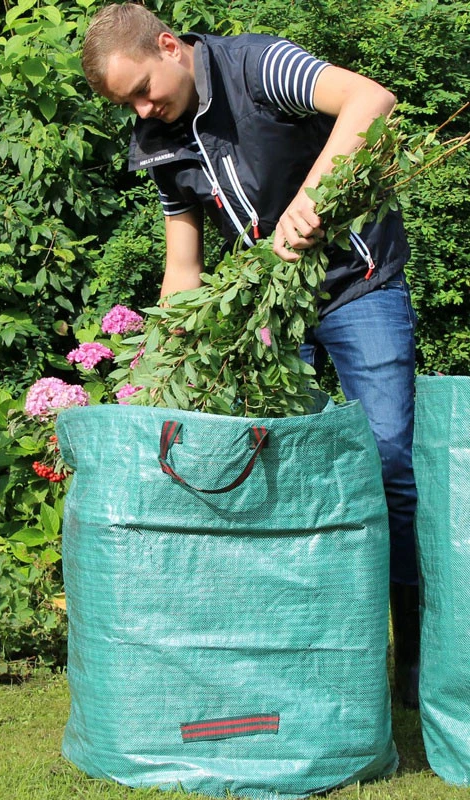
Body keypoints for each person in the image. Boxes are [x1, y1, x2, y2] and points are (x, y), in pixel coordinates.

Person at [81, 2, 420, 708]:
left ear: (169, 46)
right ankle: (314, 652)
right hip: (274, 305)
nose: (143, 109)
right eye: (128, 104)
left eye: (144, 89)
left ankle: (414, 659)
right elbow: (184, 266)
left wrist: (312, 198)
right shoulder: (160, 136)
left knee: (388, 460)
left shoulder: (258, 65)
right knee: (277, 476)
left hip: (360, 285)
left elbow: (371, 100)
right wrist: (160, 368)